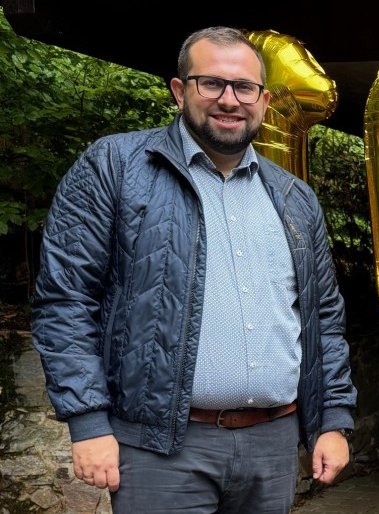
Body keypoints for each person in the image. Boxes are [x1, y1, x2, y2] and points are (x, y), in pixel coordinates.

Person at [31, 26, 356, 513]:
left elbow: (324, 319)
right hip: (160, 449)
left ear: (264, 100)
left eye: (244, 87)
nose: (230, 99)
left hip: (272, 446)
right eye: (212, 83)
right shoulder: (116, 167)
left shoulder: (294, 198)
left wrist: (332, 419)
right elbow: (65, 300)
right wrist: (89, 422)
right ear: (180, 90)